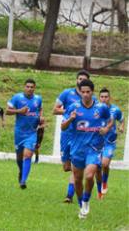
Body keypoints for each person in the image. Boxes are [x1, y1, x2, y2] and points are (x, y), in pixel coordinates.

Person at [61, 79, 112, 219]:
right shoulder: (73, 107)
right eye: (82, 92)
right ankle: (81, 205)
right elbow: (63, 127)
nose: (85, 94)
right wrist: (71, 119)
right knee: (77, 180)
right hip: (77, 149)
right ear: (79, 92)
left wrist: (106, 129)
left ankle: (86, 200)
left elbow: (110, 120)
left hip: (94, 148)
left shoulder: (101, 107)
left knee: (89, 176)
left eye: (88, 92)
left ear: (92, 92)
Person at [53, 70, 90, 203]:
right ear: (76, 80)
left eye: (84, 79)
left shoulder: (91, 99)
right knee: (66, 167)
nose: (81, 81)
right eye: (79, 79)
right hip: (66, 133)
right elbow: (54, 109)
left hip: (80, 136)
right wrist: (70, 111)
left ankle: (69, 195)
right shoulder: (67, 93)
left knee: (75, 166)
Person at [6, 79, 43, 189]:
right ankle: (21, 171)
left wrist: (41, 118)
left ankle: (23, 181)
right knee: (19, 157)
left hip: (31, 133)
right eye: (27, 86)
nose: (30, 89)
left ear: (34, 88)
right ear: (24, 87)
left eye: (32, 87)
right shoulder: (17, 98)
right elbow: (7, 111)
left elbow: (40, 110)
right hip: (19, 133)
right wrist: (19, 111)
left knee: (27, 155)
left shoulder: (38, 99)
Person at [95, 88, 124, 199]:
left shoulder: (115, 110)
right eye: (102, 97)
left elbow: (122, 119)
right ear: (99, 98)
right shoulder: (95, 109)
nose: (104, 99)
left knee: (105, 164)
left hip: (109, 142)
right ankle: (99, 192)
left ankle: (104, 182)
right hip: (97, 142)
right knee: (97, 167)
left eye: (106, 97)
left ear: (109, 97)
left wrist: (121, 126)